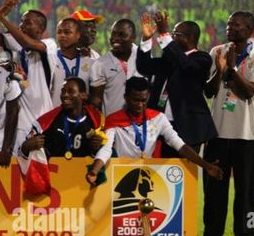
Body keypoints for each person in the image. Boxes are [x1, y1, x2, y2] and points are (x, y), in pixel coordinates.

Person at [201, 12, 254, 236]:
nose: (230, 28)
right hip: (217, 133)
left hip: (247, 135)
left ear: (249, 29)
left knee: (247, 191)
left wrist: (230, 70)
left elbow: (250, 91)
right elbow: (209, 91)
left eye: (236, 25)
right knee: (213, 192)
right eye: (229, 23)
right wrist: (220, 72)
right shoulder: (216, 51)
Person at [85, 78, 225, 184]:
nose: (140, 105)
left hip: (149, 174)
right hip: (121, 175)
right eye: (135, 100)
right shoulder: (114, 120)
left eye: (144, 100)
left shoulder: (158, 118)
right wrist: (95, 170)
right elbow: (107, 149)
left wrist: (206, 166)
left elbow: (180, 145)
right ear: (126, 98)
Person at [137, 11, 215, 149]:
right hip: (159, 125)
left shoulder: (202, 59)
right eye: (171, 34)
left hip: (188, 127)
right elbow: (144, 67)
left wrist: (163, 34)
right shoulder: (169, 59)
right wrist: (147, 39)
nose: (171, 37)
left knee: (185, 169)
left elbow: (186, 66)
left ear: (190, 37)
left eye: (175, 34)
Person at [20, 76, 105, 162]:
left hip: (84, 173)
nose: (65, 95)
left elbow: (108, 155)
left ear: (83, 95)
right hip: (53, 173)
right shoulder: (45, 122)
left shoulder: (97, 122)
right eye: (63, 91)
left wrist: (96, 149)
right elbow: (21, 154)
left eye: (71, 91)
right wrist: (26, 147)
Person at [88, 19, 139, 116]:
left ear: (133, 38)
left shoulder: (142, 58)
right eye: (113, 34)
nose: (115, 38)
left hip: (139, 125)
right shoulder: (100, 64)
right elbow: (96, 101)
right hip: (113, 126)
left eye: (121, 34)